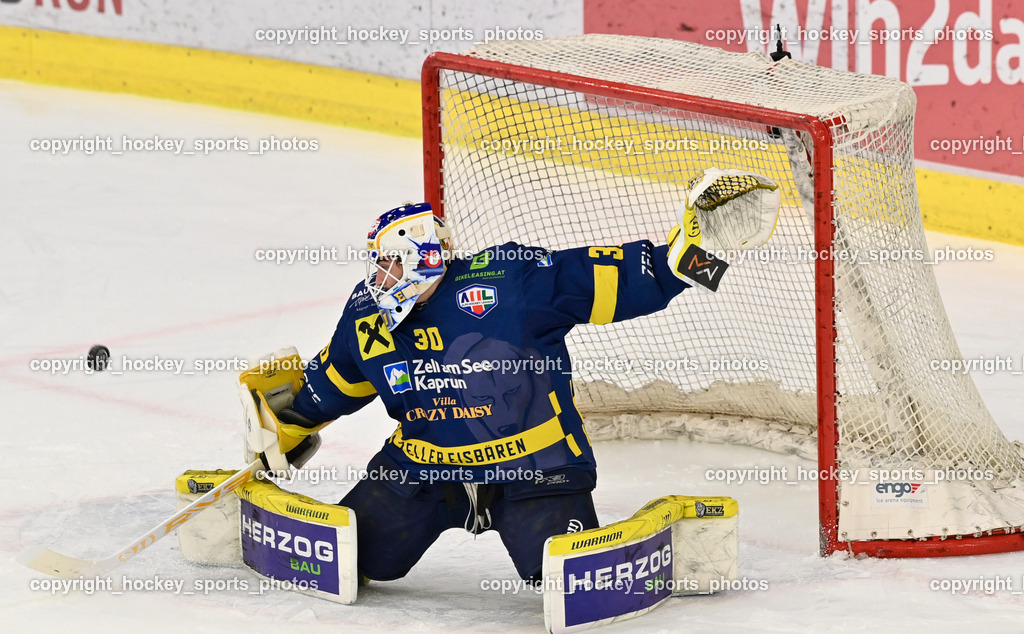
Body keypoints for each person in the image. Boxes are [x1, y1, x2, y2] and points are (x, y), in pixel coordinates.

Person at [242, 197, 736, 584]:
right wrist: (289, 420)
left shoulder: (510, 282)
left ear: (425, 256)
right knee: (353, 559)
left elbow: (616, 278)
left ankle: (666, 544)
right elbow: (339, 379)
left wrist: (697, 254)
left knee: (562, 576)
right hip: (423, 469)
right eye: (378, 263)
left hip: (534, 469)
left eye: (392, 262)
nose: (381, 276)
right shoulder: (366, 312)